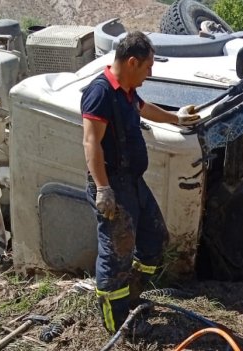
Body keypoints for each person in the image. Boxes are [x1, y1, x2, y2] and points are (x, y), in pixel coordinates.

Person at [81, 31, 199, 337]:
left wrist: (176, 119)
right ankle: (117, 324)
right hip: (113, 186)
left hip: (133, 182)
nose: (150, 74)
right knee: (115, 255)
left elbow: (143, 109)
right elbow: (91, 142)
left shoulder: (127, 90)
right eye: (148, 67)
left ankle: (131, 293)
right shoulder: (101, 92)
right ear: (132, 62)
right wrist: (103, 188)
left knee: (154, 240)